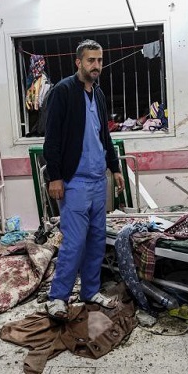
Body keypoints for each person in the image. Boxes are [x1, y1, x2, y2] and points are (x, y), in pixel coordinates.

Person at [43, 39, 125, 319]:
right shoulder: (63, 91)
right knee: (74, 242)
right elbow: (52, 138)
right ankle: (57, 298)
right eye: (91, 60)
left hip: (97, 180)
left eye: (99, 60)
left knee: (96, 240)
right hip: (74, 181)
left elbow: (105, 136)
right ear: (78, 62)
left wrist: (115, 167)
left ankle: (90, 291)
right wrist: (55, 177)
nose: (96, 65)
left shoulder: (98, 94)